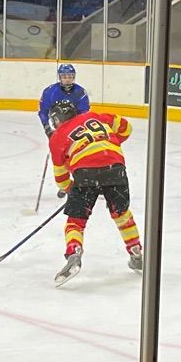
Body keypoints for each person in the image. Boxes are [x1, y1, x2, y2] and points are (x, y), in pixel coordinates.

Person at [46, 97, 142, 287]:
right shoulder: (96, 117)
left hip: (85, 175)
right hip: (115, 168)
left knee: (76, 221)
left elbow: (60, 177)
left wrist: (69, 189)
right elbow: (126, 128)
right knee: (122, 214)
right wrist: (110, 142)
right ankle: (135, 251)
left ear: (57, 119)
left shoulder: (57, 137)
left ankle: (74, 252)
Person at [37, 63, 90, 133]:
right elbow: (43, 111)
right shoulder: (50, 91)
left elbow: (84, 113)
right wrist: (47, 128)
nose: (67, 80)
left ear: (73, 77)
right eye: (64, 77)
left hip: (75, 127)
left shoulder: (81, 92)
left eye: (70, 77)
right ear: (60, 78)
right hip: (57, 125)